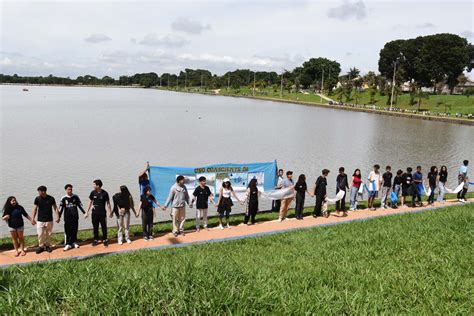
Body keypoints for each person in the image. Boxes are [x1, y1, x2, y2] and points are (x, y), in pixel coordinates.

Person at [32, 186, 59, 254]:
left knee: (48, 234)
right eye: (38, 191)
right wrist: (32, 218)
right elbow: (35, 209)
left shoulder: (51, 198)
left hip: (49, 219)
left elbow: (55, 207)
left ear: (44, 191)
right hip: (40, 220)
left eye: (39, 191)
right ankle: (41, 246)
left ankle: (47, 246)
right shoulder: (37, 199)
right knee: (40, 234)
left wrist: (58, 216)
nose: (39, 193)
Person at [58, 184, 86, 251]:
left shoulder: (75, 197)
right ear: (66, 190)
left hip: (75, 216)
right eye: (68, 189)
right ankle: (67, 244)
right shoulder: (63, 198)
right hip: (67, 217)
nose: (70, 190)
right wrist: (58, 217)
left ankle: (74, 242)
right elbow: (61, 208)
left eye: (71, 189)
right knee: (67, 231)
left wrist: (84, 213)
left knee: (74, 230)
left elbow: (80, 205)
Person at [85, 179, 112, 247]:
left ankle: (105, 239)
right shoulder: (93, 193)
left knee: (104, 227)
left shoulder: (105, 193)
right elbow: (90, 202)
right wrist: (86, 212)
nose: (93, 186)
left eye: (94, 184)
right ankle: (96, 239)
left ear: (98, 185)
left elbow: (108, 203)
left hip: (102, 213)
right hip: (94, 213)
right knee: (95, 227)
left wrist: (110, 212)